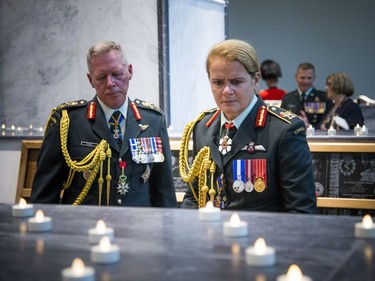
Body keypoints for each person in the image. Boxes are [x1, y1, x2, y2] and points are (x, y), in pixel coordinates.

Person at [30, 41, 177, 207]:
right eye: (101, 77)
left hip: (138, 228)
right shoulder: (67, 122)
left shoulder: (153, 120)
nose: (110, 83)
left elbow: (164, 193)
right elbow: (44, 196)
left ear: (129, 71)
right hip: (83, 228)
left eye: (117, 74)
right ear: (90, 79)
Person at [179, 39, 316, 213]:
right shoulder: (203, 126)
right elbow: (194, 196)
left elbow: (301, 211)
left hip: (261, 237)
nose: (227, 91)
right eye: (218, 82)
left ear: (255, 79)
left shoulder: (283, 130)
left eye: (236, 82)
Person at [281, 63, 332, 128]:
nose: (305, 81)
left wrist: (309, 126)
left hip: (315, 136)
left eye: (309, 78)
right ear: (296, 77)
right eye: (302, 77)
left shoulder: (324, 98)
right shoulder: (287, 98)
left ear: (314, 78)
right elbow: (281, 124)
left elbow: (326, 125)